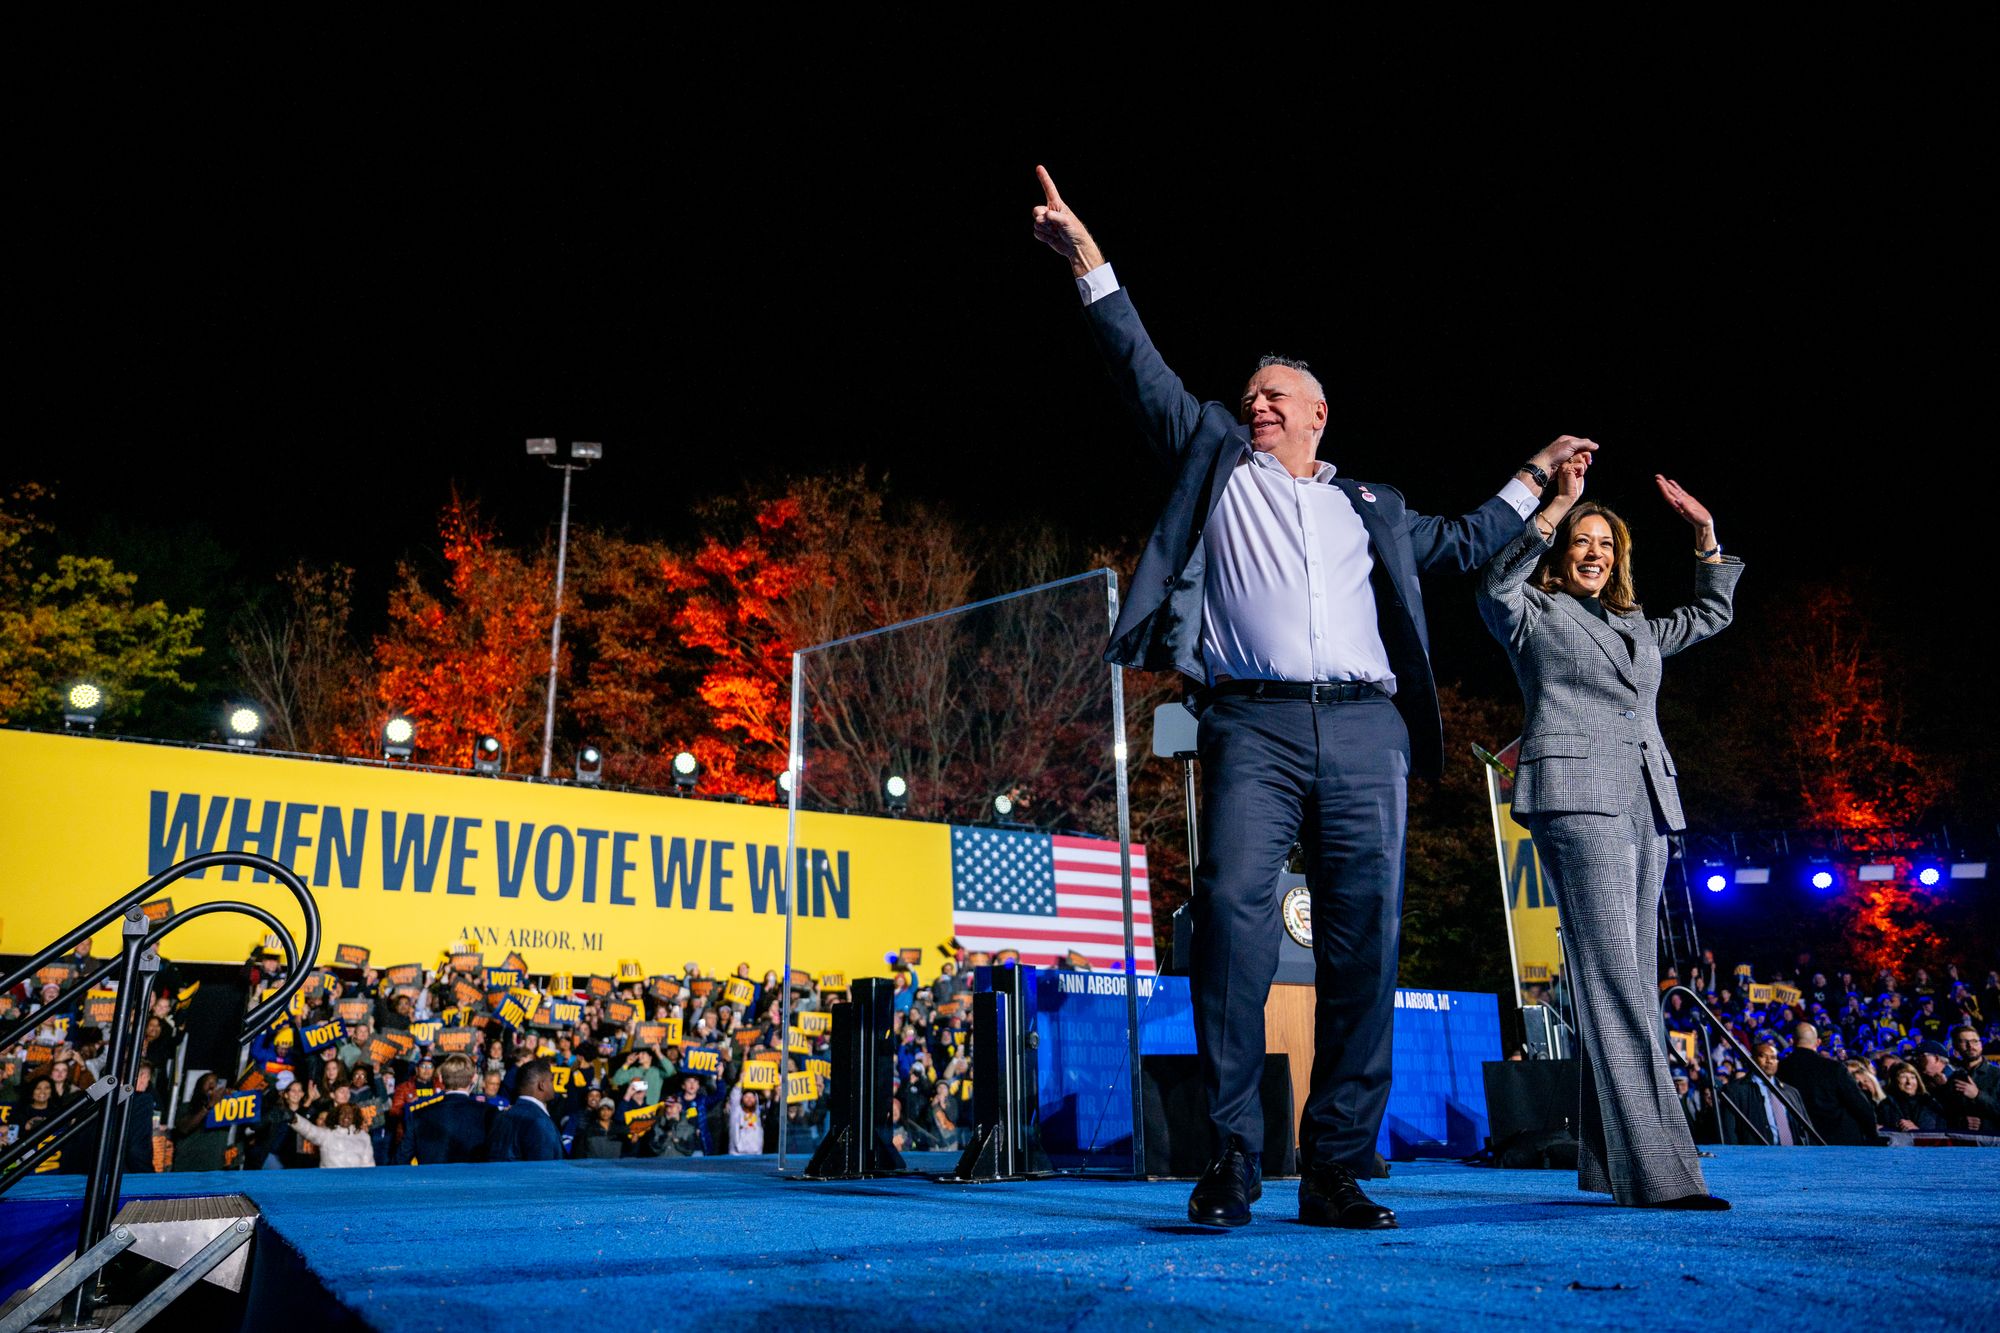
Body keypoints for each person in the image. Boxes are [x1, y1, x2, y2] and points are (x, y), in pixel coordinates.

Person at [1030, 165, 1578, 1231]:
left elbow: (1464, 544)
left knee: (1361, 940)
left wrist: (1534, 477)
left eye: (1276, 397)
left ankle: (1333, 1167)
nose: (1257, 405)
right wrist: (1087, 261)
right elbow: (1139, 370)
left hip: (1366, 728)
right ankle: (1231, 1159)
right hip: (1253, 722)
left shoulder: (1372, 505)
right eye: (1250, 397)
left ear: (1318, 415)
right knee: (1232, 921)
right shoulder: (1217, 466)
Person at [1476, 461, 1740, 1208]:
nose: (1594, 551)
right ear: (1562, 552)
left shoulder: (1633, 626)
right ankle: (1661, 1173)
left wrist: (1706, 536)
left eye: (1606, 542)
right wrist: (1554, 504)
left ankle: (1602, 1156)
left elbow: (1711, 615)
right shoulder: (1532, 611)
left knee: (1630, 972)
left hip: (1645, 802)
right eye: (1581, 540)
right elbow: (1495, 583)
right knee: (1616, 977)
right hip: (1575, 800)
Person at [1779, 1022, 1879, 1146]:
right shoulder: (1833, 1068)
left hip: (1799, 1142)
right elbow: (1860, 1105)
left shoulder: (1780, 1069)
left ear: (1792, 1041)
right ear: (1818, 1042)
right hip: (1839, 1142)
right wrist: (1872, 1136)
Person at [405, 1054, 494, 1164]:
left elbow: (401, 1160)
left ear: (441, 1078)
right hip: (474, 1179)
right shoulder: (490, 1113)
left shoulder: (419, 1114)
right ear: (474, 1079)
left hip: (431, 1179)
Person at [1720, 1043, 1808, 1146]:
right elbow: (1729, 1133)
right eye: (1763, 1056)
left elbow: (1805, 1129)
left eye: (1773, 1057)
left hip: (1796, 1156)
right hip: (1756, 1157)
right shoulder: (1735, 1090)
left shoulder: (1791, 1092)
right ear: (1752, 1059)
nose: (1769, 1061)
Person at [489, 1058, 562, 1162]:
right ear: (542, 1085)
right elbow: (544, 1172)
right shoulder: (538, 1121)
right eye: (551, 1080)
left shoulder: (502, 1115)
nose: (553, 1086)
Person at [292, 1103, 375, 1168]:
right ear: (336, 1117)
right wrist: (294, 1118)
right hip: (331, 1181)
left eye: (350, 1113)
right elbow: (309, 1130)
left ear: (355, 1116)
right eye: (342, 1113)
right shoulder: (327, 1134)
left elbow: (369, 1164)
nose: (346, 1116)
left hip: (355, 1182)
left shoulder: (364, 1136)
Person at [1876, 1061, 1947, 1133]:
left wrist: (1917, 1132)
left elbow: (1939, 1133)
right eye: (1903, 1077)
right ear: (1894, 1080)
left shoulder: (1930, 1104)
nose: (1909, 1082)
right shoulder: (1885, 1105)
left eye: (1913, 1077)